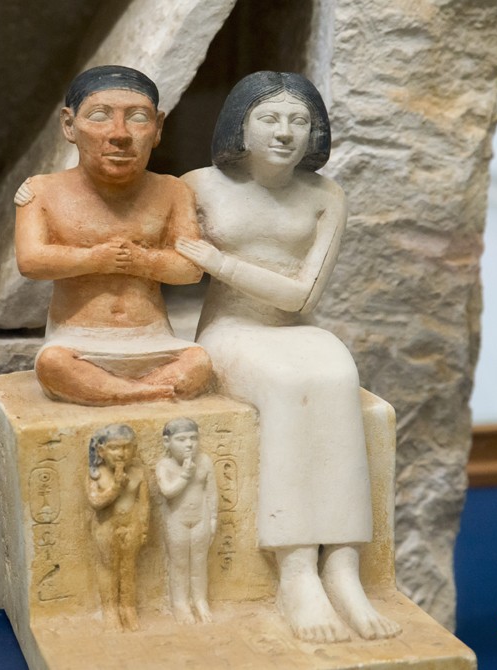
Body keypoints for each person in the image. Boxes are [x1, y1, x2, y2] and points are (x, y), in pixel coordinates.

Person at [176, 71, 401, 643]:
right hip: (229, 329)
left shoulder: (326, 195)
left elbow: (303, 296)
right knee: (285, 382)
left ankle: (343, 564)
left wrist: (219, 262)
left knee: (336, 372)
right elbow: (148, 229)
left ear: (314, 131)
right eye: (269, 118)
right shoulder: (197, 185)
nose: (284, 132)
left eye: (299, 120)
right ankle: (297, 569)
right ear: (241, 124)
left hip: (295, 326)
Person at [15, 65, 212, 406]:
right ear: (69, 125)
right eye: (99, 116)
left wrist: (140, 260)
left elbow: (191, 269)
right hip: (77, 340)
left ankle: (119, 394)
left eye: (137, 118)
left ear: (158, 127)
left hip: (151, 339)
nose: (119, 134)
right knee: (54, 364)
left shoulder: (173, 191)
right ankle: (147, 394)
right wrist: (96, 259)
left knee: (198, 362)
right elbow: (31, 261)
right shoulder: (42, 191)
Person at [86, 423, 150, 631]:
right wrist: (115, 487)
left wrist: (143, 527)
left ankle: (128, 608)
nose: (121, 453)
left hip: (132, 526)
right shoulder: (96, 474)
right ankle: (110, 610)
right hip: (106, 527)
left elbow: (144, 504)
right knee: (108, 567)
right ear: (101, 451)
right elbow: (95, 501)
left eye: (127, 447)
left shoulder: (138, 473)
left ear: (134, 449)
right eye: (114, 448)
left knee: (128, 567)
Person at [154, 417, 216, 624]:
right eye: (181, 439)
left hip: (201, 517)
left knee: (199, 562)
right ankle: (180, 603)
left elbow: (211, 493)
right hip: (176, 520)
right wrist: (185, 476)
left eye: (193, 438)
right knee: (179, 563)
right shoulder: (164, 465)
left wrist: (213, 518)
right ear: (167, 442)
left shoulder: (205, 461)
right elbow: (167, 491)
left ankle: (200, 600)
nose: (189, 444)